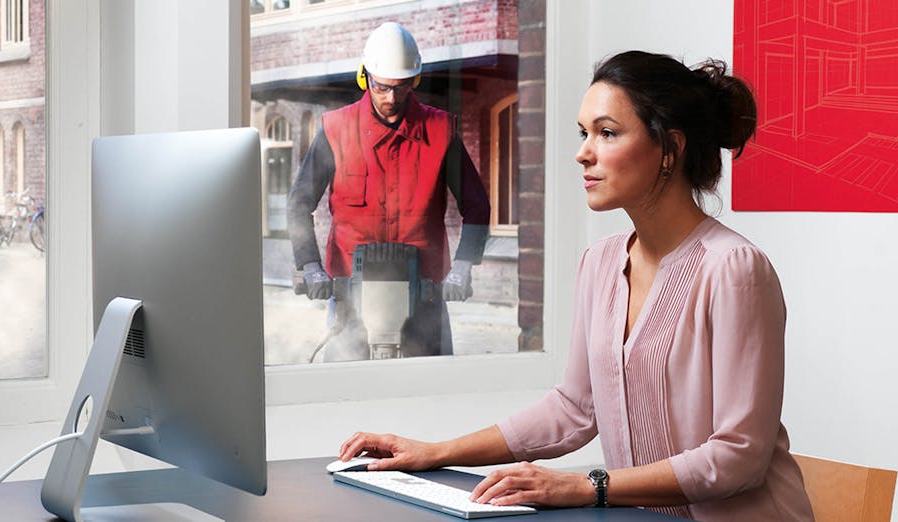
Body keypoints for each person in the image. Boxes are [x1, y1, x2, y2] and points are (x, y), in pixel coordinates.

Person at [335, 50, 815, 521]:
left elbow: (738, 456)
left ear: (670, 147)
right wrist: (434, 452)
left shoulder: (734, 269)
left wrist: (587, 486)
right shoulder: (600, 263)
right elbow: (575, 409)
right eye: (584, 133)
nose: (583, 152)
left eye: (607, 133)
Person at [288, 22, 490, 362]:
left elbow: (477, 206)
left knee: (426, 386)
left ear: (415, 81)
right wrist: (310, 266)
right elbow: (299, 204)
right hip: (351, 296)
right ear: (365, 77)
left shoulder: (441, 131)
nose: (391, 98)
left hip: (424, 294)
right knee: (346, 386)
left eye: (400, 87)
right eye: (382, 87)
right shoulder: (336, 130)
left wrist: (463, 266)